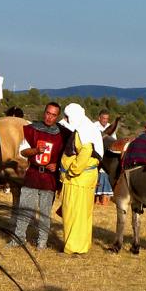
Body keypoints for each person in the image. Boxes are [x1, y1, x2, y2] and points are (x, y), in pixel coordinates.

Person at [7, 102, 63, 250]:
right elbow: (23, 152)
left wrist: (57, 166)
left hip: (49, 179)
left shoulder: (62, 135)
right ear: (44, 112)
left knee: (44, 214)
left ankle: (41, 243)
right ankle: (18, 239)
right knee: (24, 209)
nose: (49, 117)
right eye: (48, 113)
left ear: (57, 116)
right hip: (32, 174)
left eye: (53, 115)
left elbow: (65, 157)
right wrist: (36, 150)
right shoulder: (32, 130)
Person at [58, 103, 103, 255]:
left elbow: (85, 151)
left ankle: (73, 247)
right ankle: (82, 245)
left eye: (67, 116)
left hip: (77, 180)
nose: (65, 119)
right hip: (84, 179)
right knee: (83, 214)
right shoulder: (88, 128)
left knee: (73, 213)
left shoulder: (83, 131)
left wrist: (72, 171)